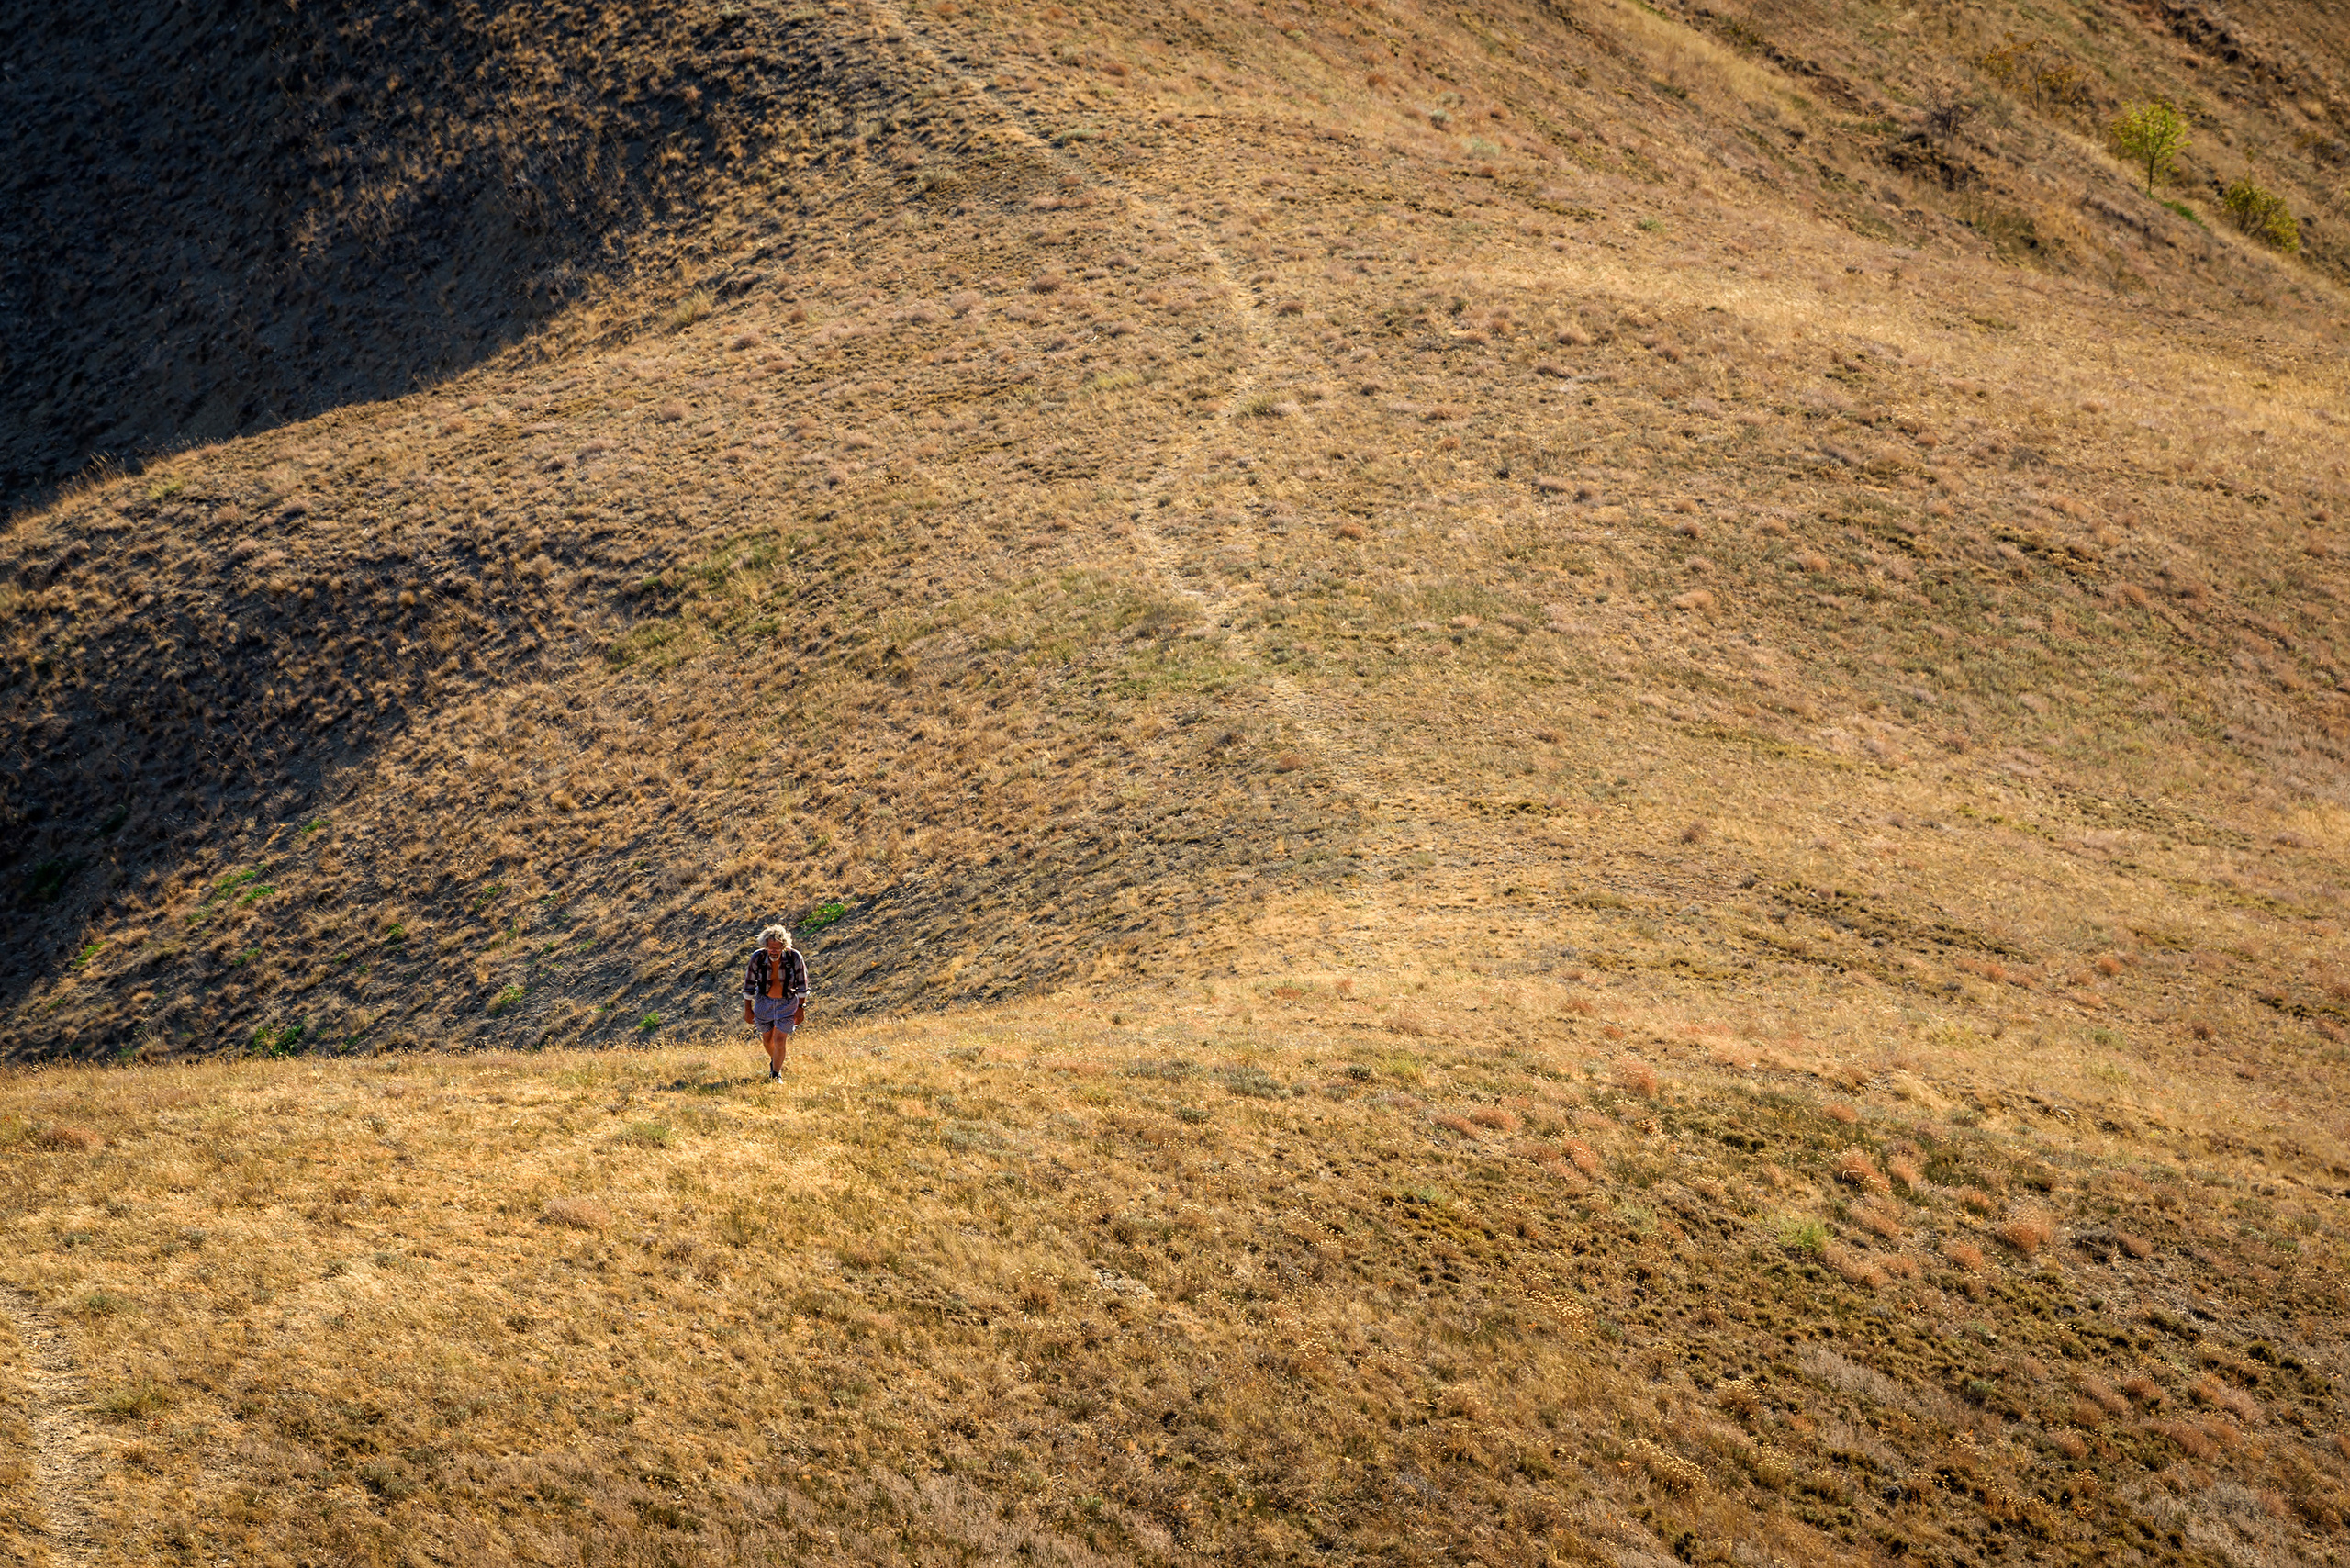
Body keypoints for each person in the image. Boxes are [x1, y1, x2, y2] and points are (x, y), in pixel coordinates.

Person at [741, 924, 810, 1081]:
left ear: (784, 946)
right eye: (770, 947)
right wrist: (747, 1009)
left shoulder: (794, 957)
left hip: (788, 1003)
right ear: (765, 946)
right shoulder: (757, 958)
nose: (773, 951)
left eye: (777, 948)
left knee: (779, 1039)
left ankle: (775, 1074)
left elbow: (802, 984)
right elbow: (749, 984)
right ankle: (776, 1061)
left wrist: (801, 1007)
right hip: (763, 1002)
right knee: (767, 1040)